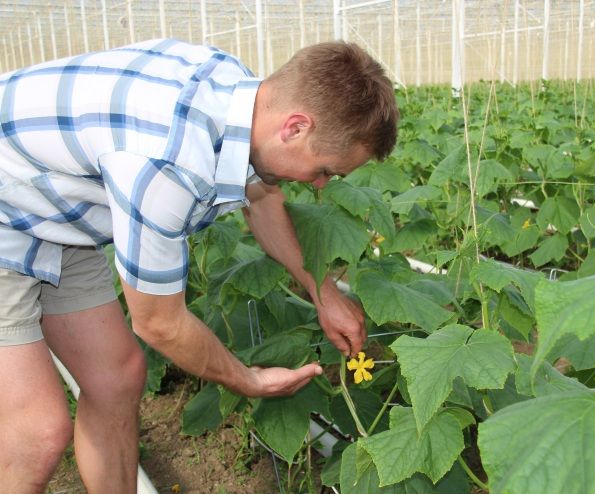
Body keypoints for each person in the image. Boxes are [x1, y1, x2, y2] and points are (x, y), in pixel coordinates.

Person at [0, 37, 398, 492]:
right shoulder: (169, 164)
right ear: (294, 127)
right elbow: (159, 323)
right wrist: (248, 379)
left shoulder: (240, 97)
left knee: (118, 378)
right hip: (6, 204)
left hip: (53, 214)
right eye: (325, 169)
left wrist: (323, 293)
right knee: (38, 431)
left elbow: (260, 198)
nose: (323, 185)